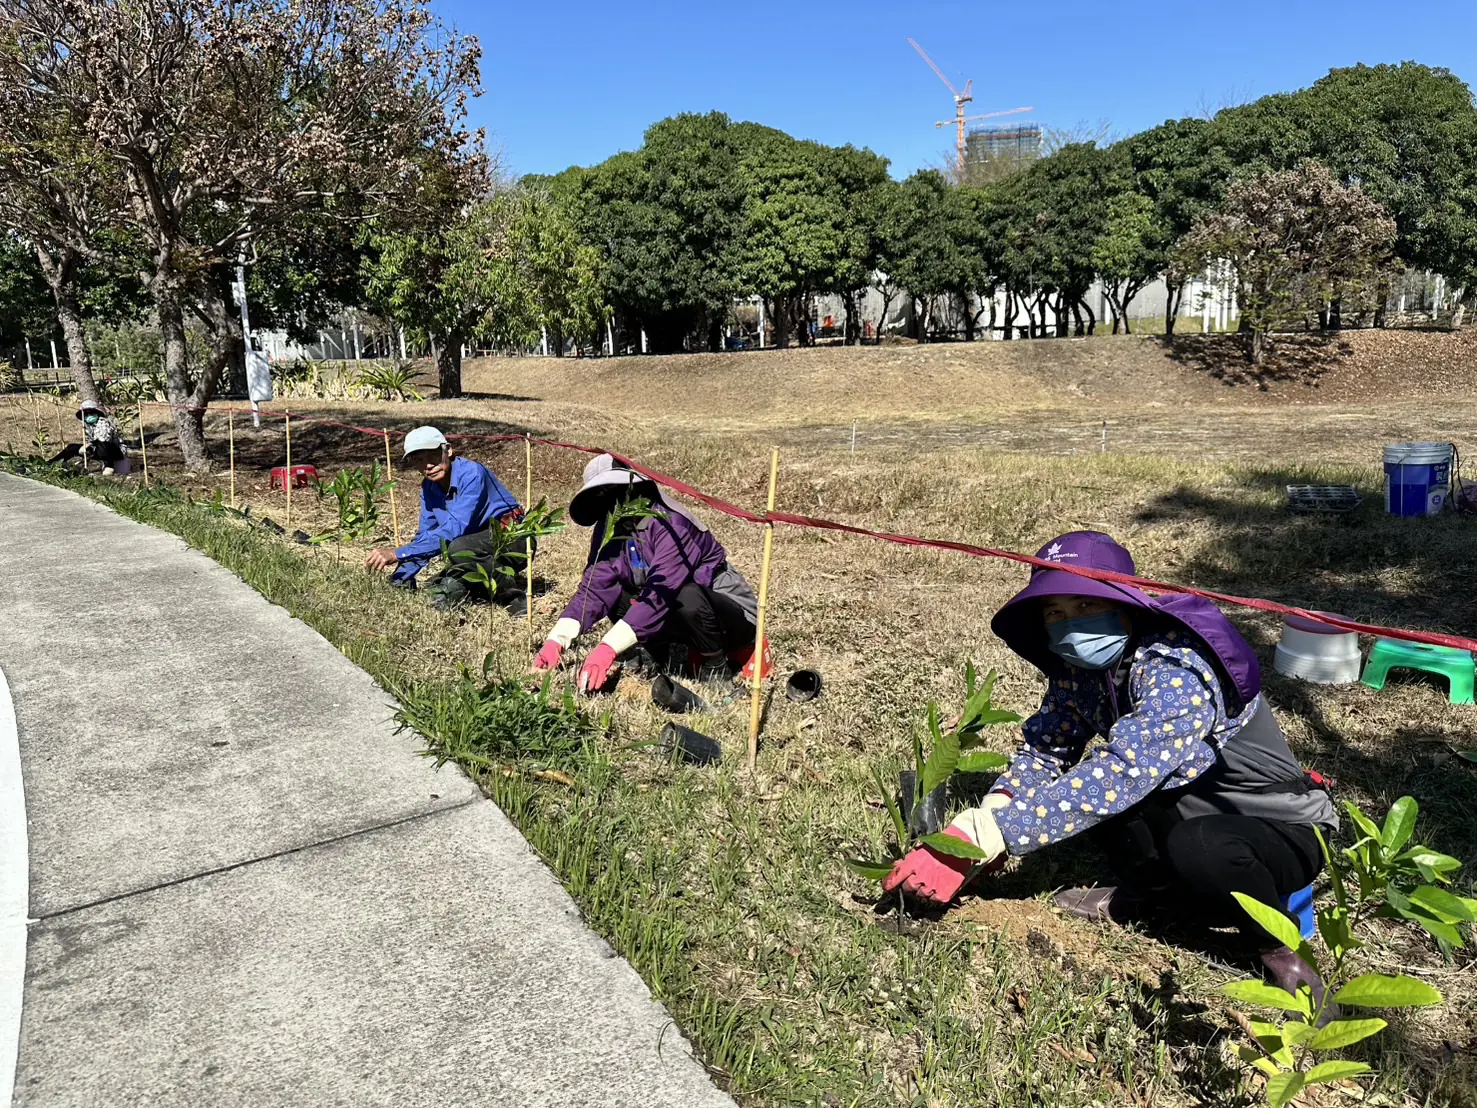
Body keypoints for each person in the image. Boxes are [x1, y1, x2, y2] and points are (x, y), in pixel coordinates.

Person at [882, 531, 1340, 1010]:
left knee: (1195, 844)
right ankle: (1150, 898)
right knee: (1097, 807)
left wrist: (995, 833)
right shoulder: (1082, 674)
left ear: (1125, 605)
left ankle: (1275, 947)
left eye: (1084, 605)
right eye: (1054, 613)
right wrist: (996, 811)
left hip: (1277, 825)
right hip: (1186, 802)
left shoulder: (1178, 666)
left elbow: (1125, 770)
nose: (1069, 624)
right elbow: (1047, 752)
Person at [532, 454, 764, 693]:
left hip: (730, 617)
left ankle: (715, 665)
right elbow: (595, 588)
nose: (614, 502)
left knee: (686, 595)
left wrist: (607, 648)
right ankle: (656, 651)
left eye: (617, 490)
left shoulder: (671, 522)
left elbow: (661, 592)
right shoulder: (610, 527)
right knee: (617, 595)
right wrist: (557, 640)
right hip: (676, 609)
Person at [364, 426, 528, 614]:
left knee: (458, 549)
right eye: (418, 460)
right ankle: (476, 587)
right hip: (474, 546)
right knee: (438, 589)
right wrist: (401, 577)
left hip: (512, 539)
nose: (427, 465)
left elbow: (453, 530)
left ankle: (513, 598)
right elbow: (425, 535)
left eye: (432, 456)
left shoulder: (472, 474)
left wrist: (398, 554)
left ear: (448, 450)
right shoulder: (429, 487)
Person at [67, 400, 131, 475]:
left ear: (97, 413)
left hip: (115, 451)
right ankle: (54, 463)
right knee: (71, 447)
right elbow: (89, 440)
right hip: (97, 448)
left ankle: (109, 466)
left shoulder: (103, 422)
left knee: (102, 445)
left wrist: (89, 445)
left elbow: (103, 439)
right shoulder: (88, 426)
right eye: (86, 414)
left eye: (92, 412)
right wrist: (85, 447)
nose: (89, 415)